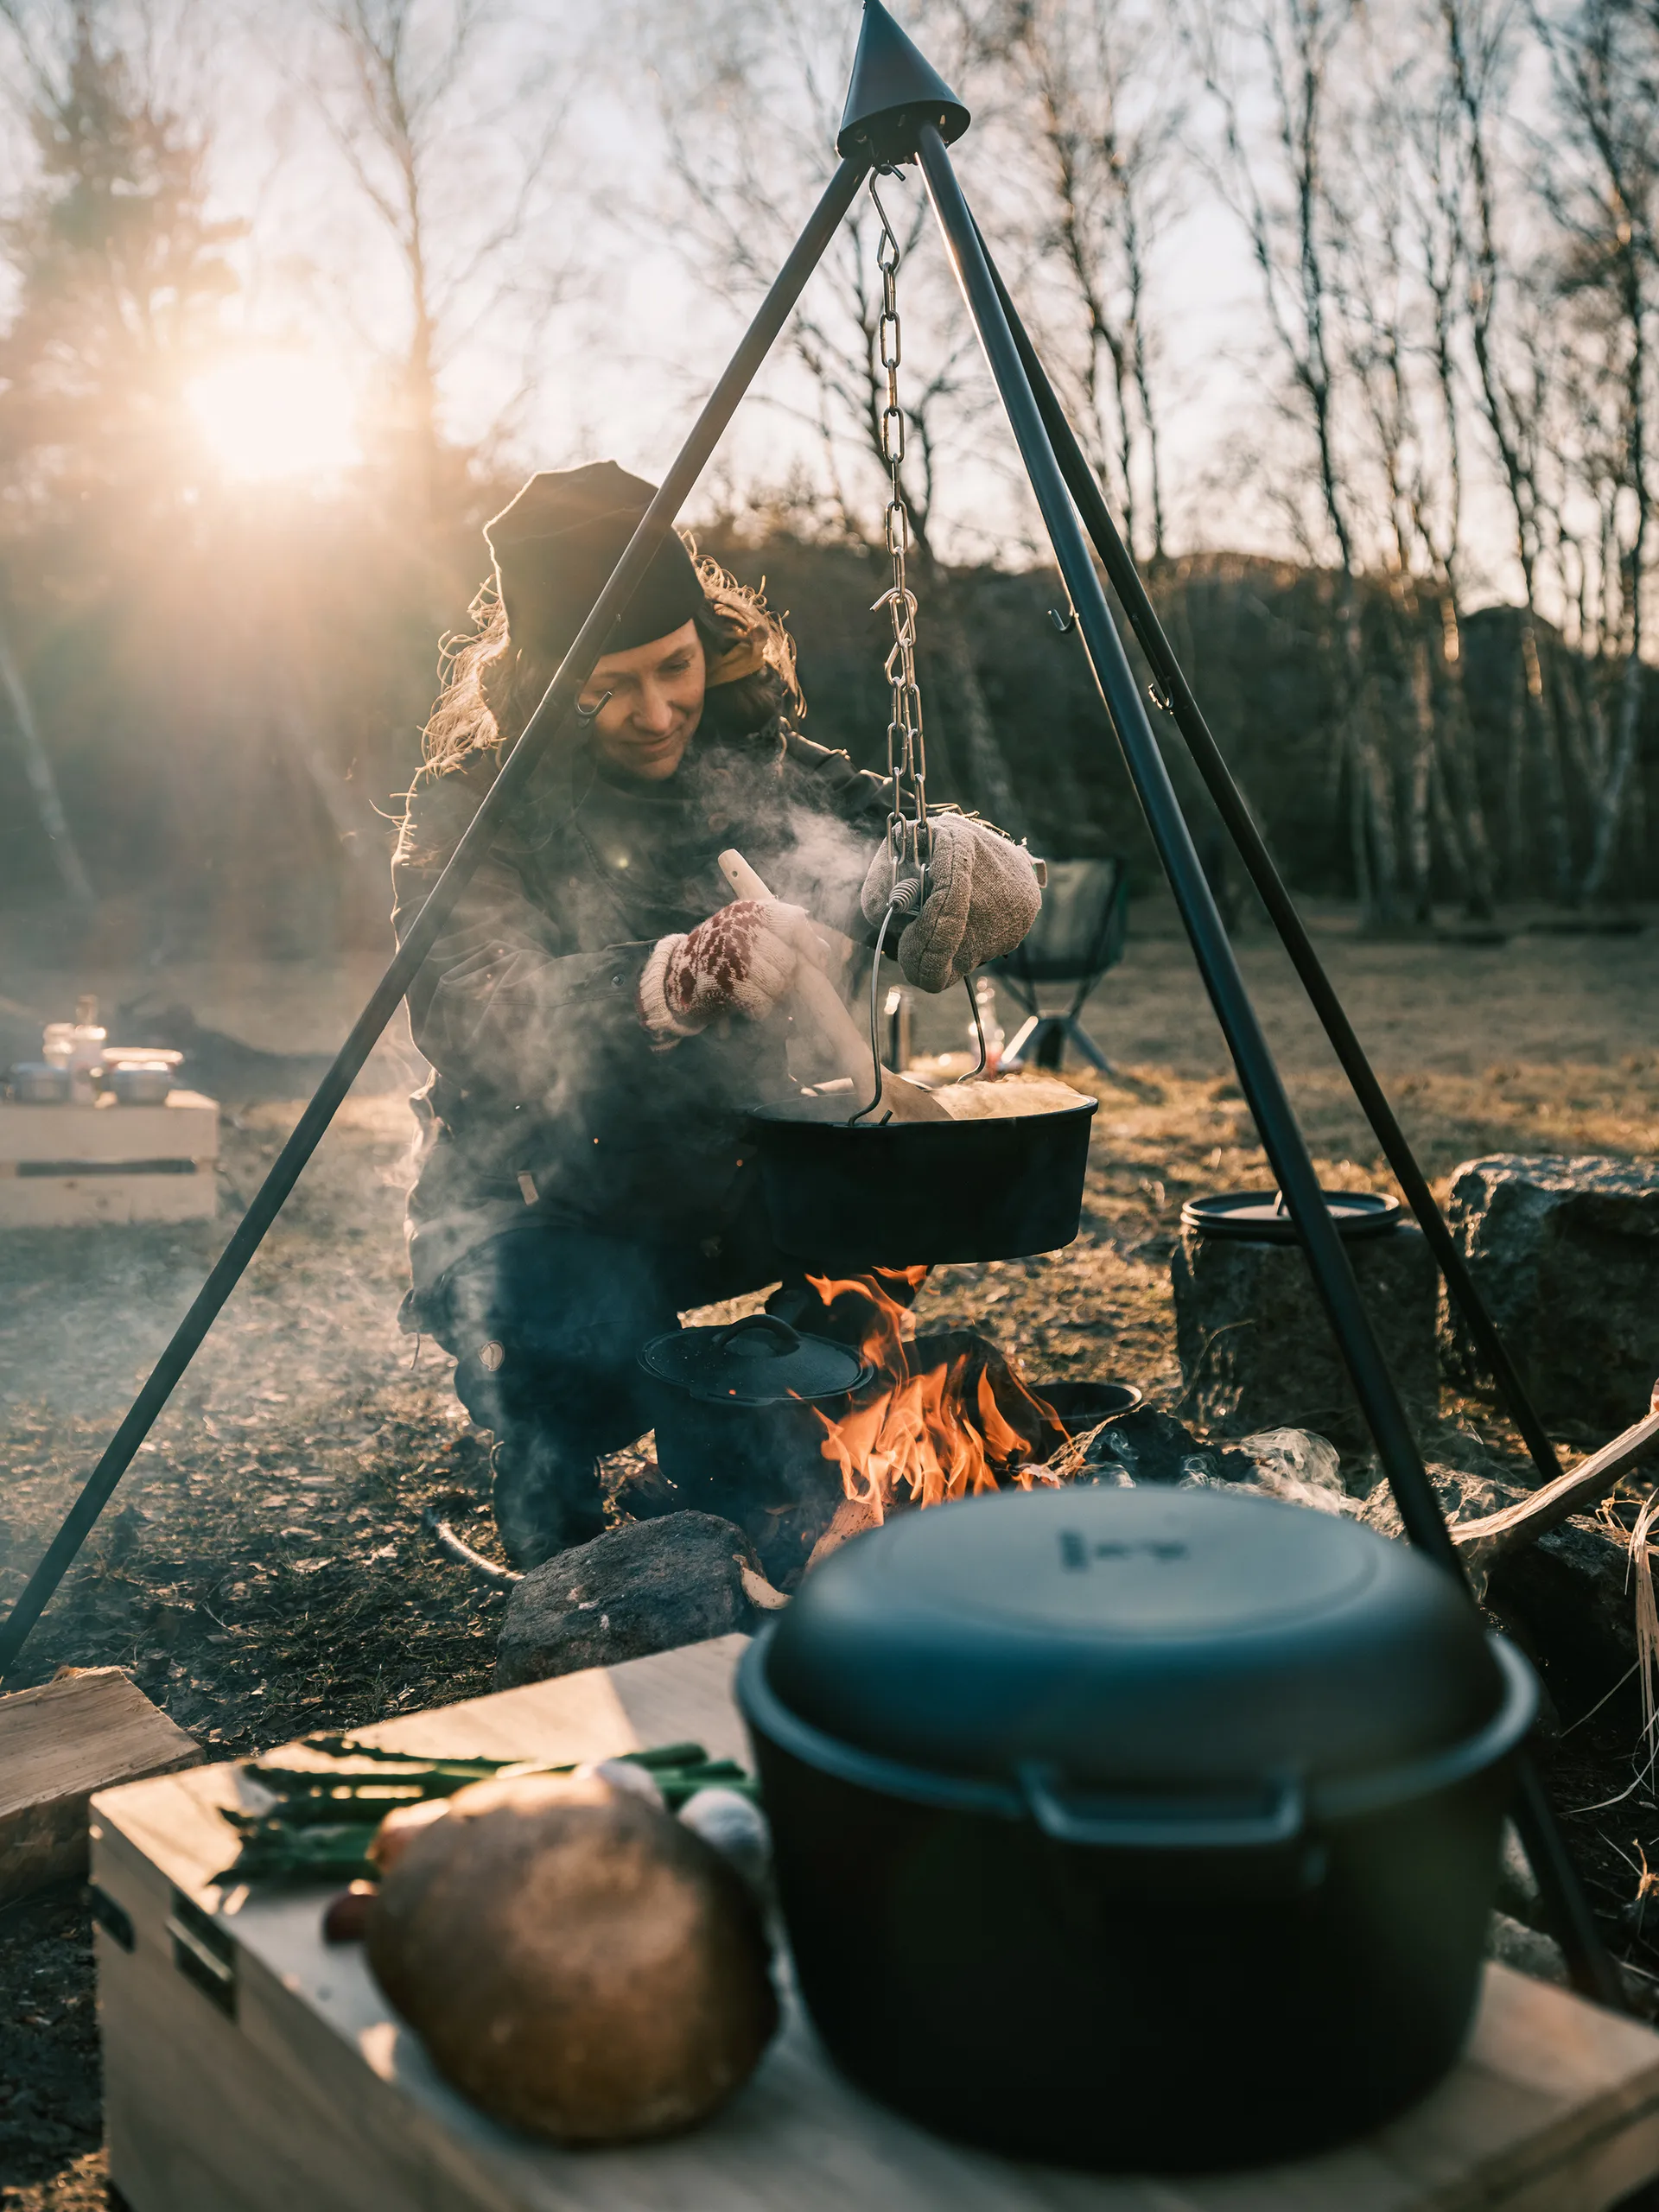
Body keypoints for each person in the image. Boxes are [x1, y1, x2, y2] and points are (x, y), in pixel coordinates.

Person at [392, 463, 1040, 1566]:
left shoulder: (761, 757)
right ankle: (557, 1495)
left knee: (852, 1276)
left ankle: (797, 1445)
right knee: (586, 1346)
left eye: (675, 666)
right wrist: (673, 977)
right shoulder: (477, 806)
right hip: (548, 1198)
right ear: (551, 682)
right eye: (610, 686)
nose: (656, 712)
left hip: (739, 1178)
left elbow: (894, 847)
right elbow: (468, 1001)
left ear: (709, 641)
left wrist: (966, 868)